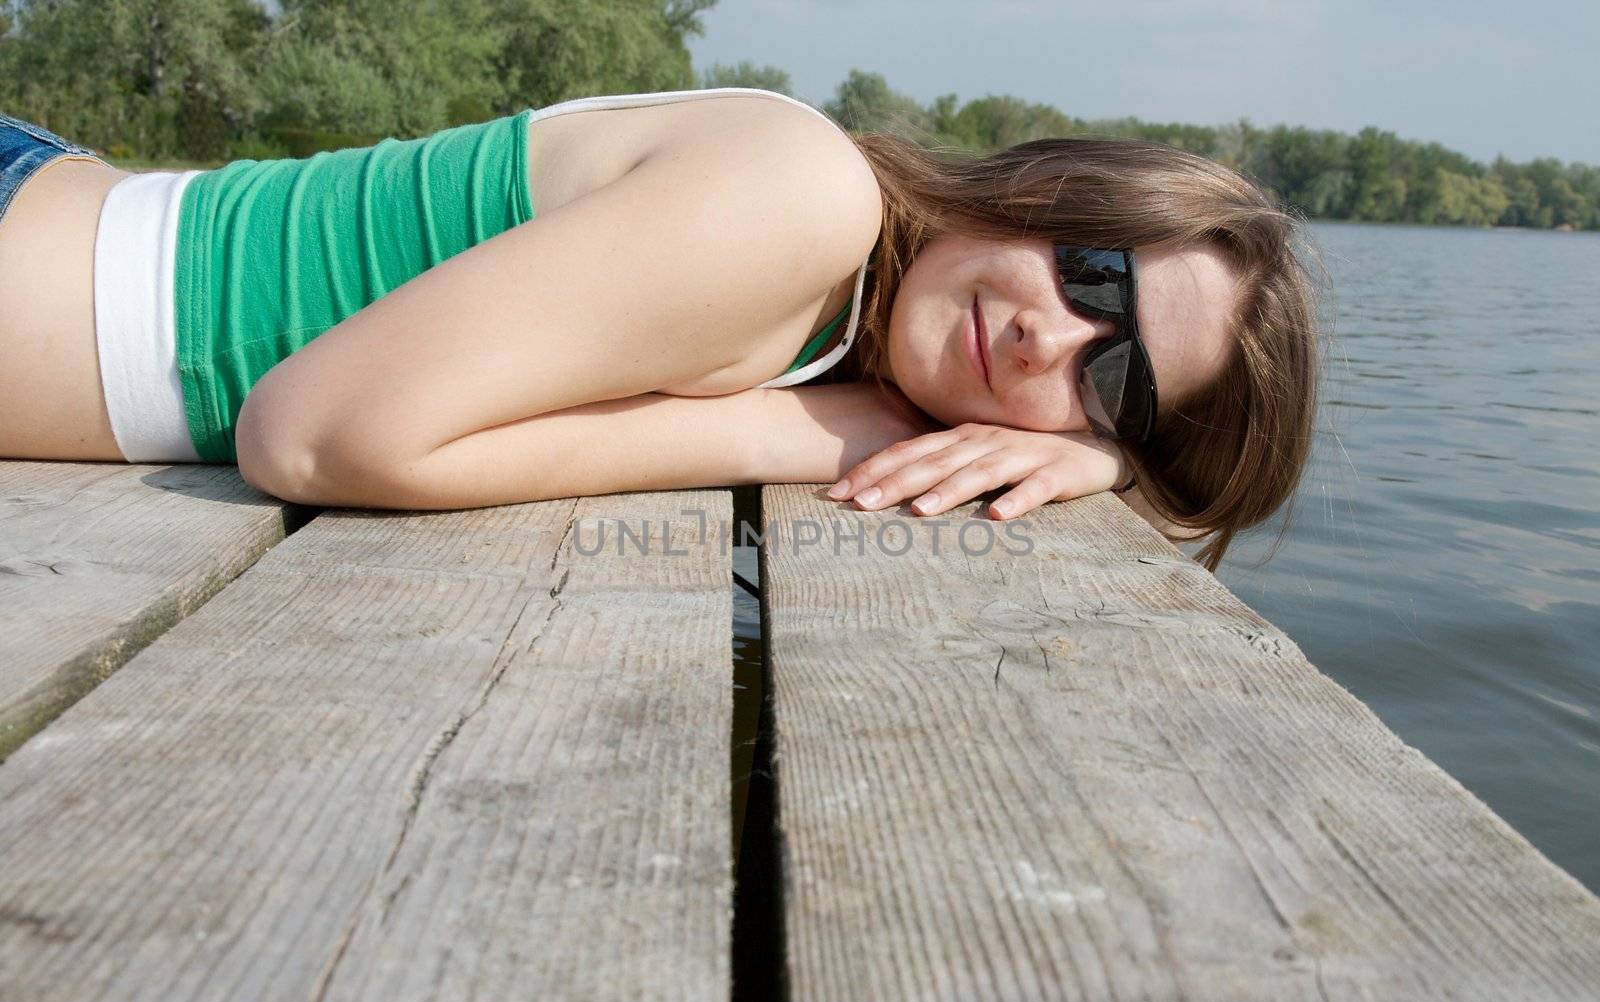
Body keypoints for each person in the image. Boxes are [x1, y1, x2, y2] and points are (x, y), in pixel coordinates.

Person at [0, 88, 1320, 571]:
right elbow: (314, 438)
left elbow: (1193, 508)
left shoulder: (831, 301)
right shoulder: (806, 203)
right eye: (1093, 275)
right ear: (1043, 192)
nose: (1054, 343)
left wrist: (1108, 467)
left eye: (1122, 382)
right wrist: (821, 435)